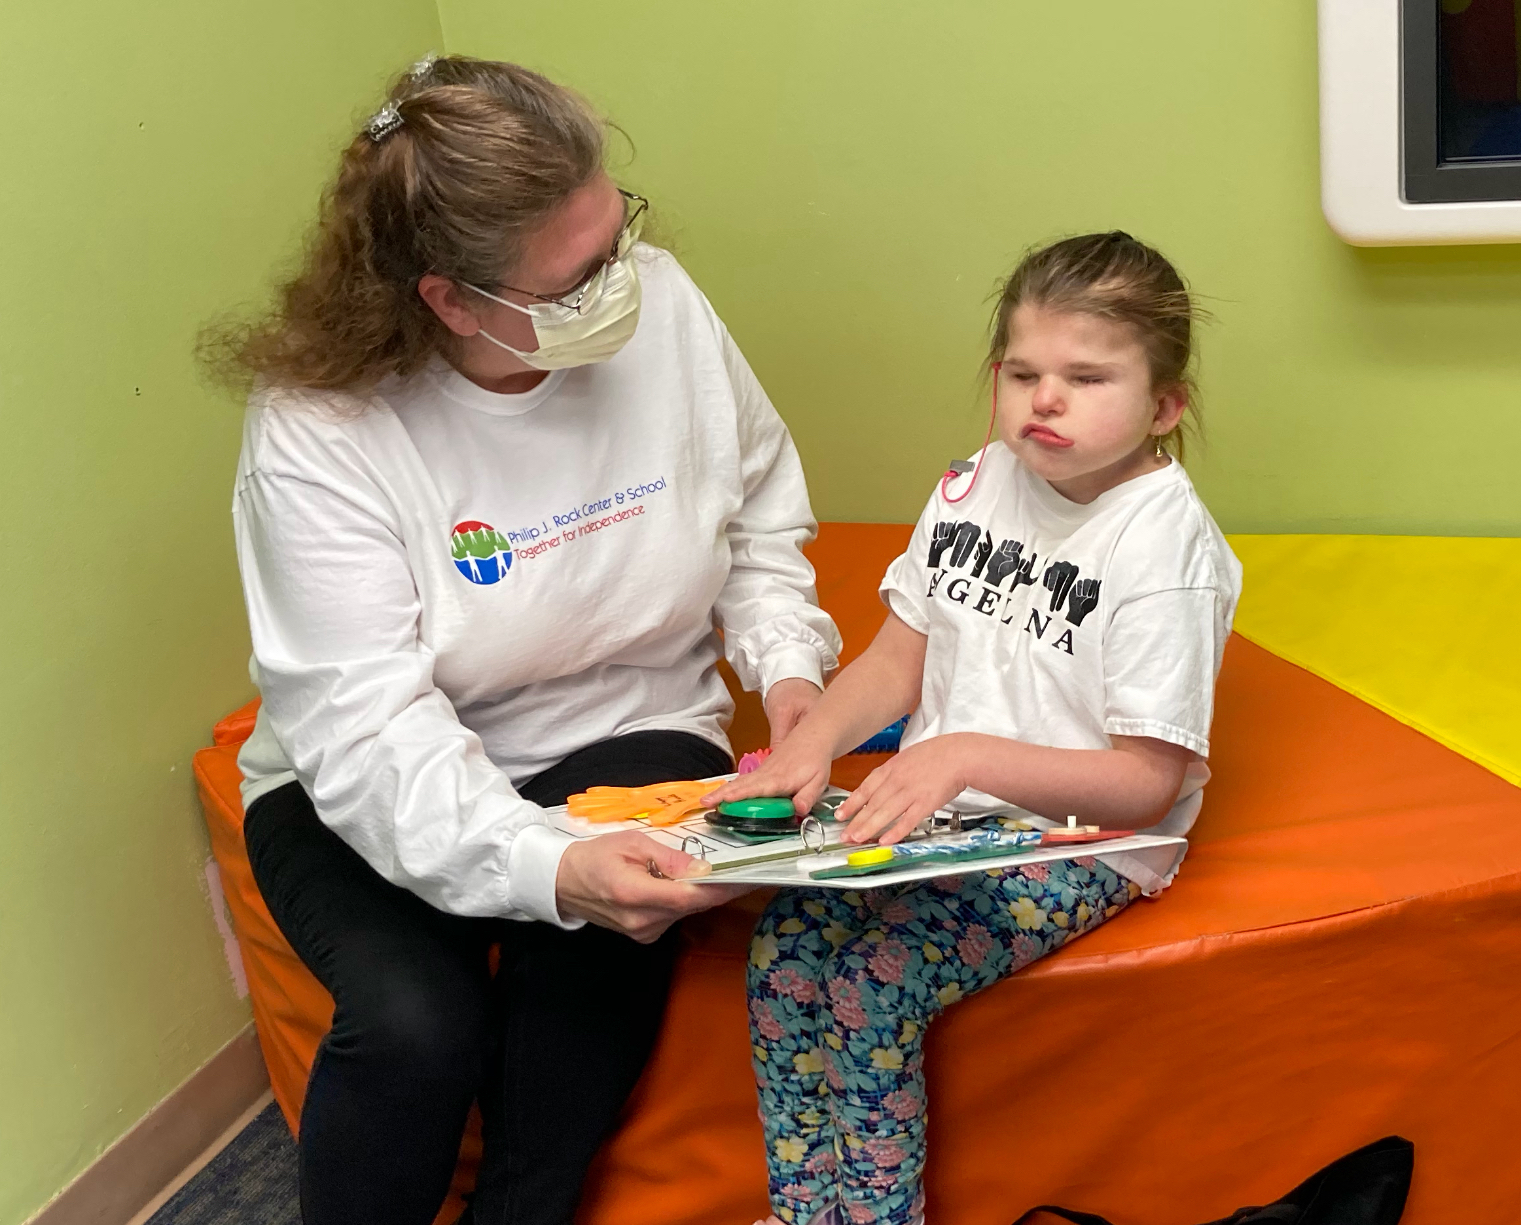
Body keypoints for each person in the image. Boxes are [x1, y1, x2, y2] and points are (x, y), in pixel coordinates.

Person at [206, 54, 840, 1225]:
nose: (626, 281)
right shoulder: (321, 432)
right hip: (363, 775)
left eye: (620, 232)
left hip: (630, 727)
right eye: (581, 273)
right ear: (447, 299)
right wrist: (540, 864)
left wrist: (791, 672)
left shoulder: (668, 308)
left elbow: (758, 510)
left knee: (603, 953)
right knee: (414, 1025)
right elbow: (367, 734)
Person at [705, 232, 1243, 1225]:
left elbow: (1147, 783)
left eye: (1087, 377)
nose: (1045, 398)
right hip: (948, 817)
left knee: (871, 975)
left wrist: (959, 755)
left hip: (1084, 843)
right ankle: (800, 1213)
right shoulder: (977, 481)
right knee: (786, 948)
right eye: (1024, 372)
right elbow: (895, 657)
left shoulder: (1166, 546)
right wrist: (811, 741)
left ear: (1165, 406)